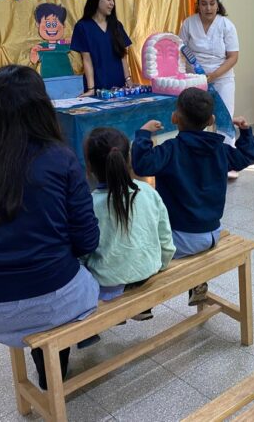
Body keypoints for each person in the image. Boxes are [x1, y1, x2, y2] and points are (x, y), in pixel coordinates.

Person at [0, 65, 100, 391]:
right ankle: (63, 359)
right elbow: (87, 239)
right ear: (41, 107)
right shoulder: (60, 158)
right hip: (55, 300)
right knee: (93, 268)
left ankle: (51, 370)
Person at [131, 87, 254, 304]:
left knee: (136, 239)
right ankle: (198, 282)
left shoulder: (170, 150)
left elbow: (141, 164)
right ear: (211, 120)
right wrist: (245, 132)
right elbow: (247, 156)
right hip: (211, 234)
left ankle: (142, 304)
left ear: (174, 118)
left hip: (179, 239)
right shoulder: (220, 149)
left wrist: (144, 134)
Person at [77, 127, 175, 348]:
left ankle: (89, 329)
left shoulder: (89, 204)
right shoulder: (148, 191)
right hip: (148, 271)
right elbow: (165, 238)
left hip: (108, 283)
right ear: (128, 160)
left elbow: (82, 253)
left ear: (89, 166)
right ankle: (134, 306)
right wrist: (162, 264)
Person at [179, 0, 239, 154]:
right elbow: (181, 51)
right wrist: (184, 77)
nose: (208, 8)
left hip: (222, 78)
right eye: (204, 4)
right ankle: (198, 156)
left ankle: (228, 159)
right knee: (195, 119)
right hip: (194, 80)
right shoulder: (189, 23)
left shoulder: (227, 25)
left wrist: (213, 76)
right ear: (198, 5)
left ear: (218, 5)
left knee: (224, 119)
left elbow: (233, 57)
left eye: (212, 3)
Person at [71, 0, 133, 96]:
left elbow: (123, 56)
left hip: (119, 88)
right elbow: (87, 60)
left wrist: (128, 80)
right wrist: (91, 89)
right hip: (98, 89)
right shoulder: (82, 27)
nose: (112, 3)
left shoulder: (117, 25)